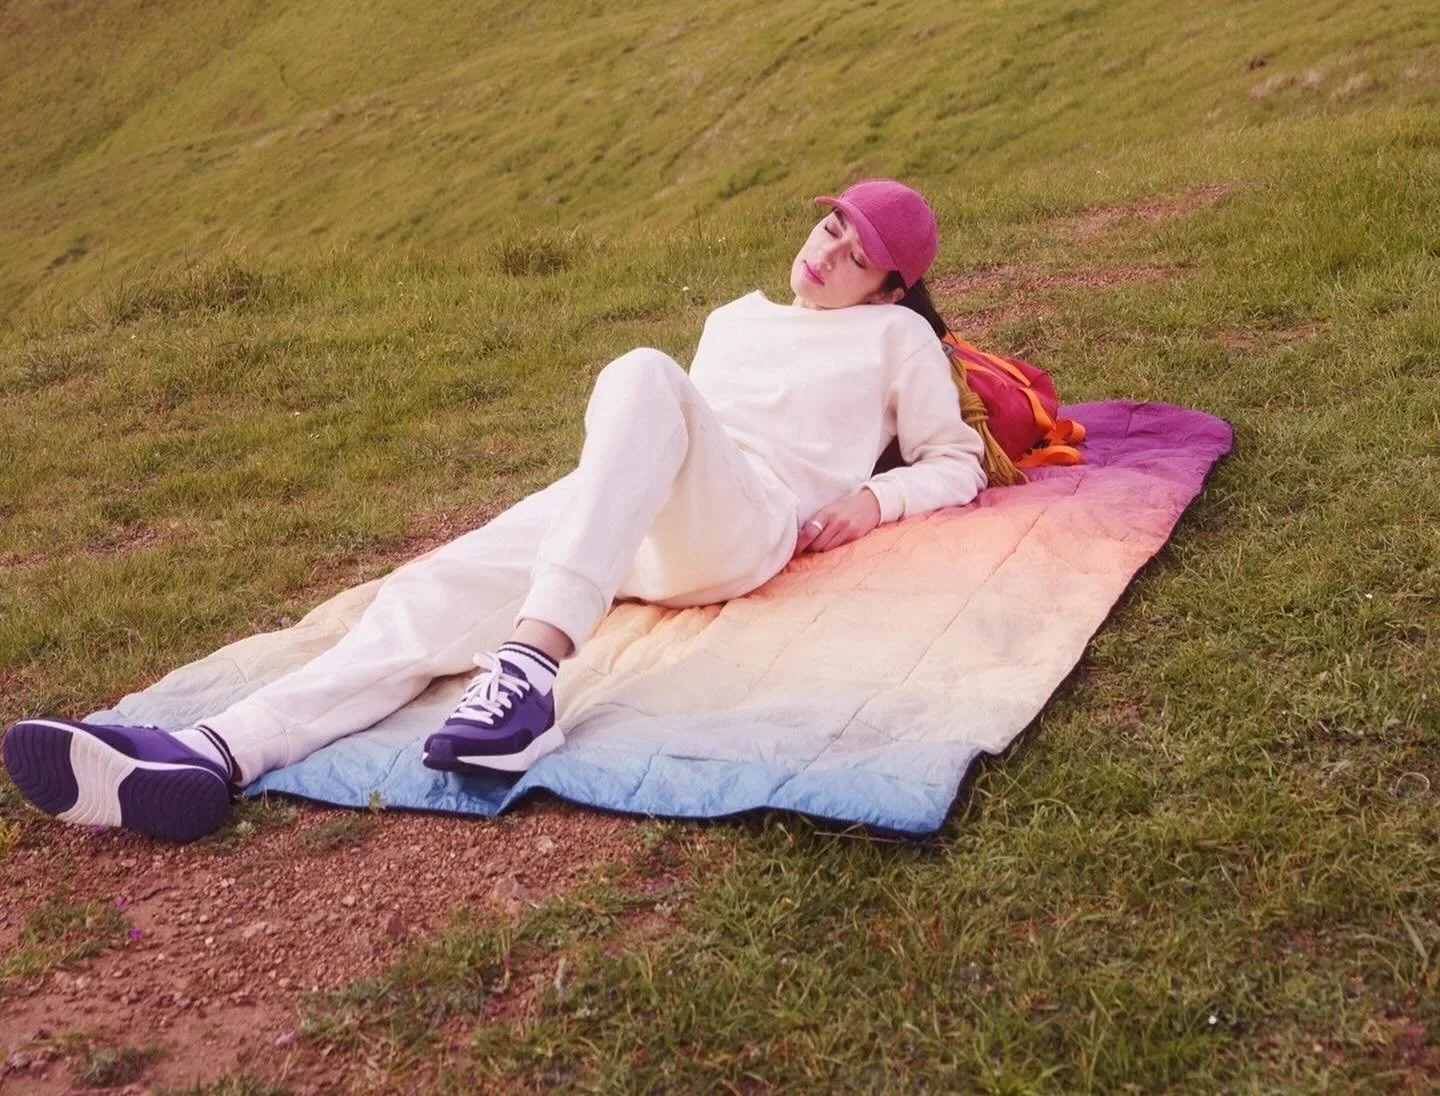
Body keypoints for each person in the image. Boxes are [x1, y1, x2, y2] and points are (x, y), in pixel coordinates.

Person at [3, 180, 987, 843]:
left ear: (890, 284)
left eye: (855, 255)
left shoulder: (895, 338)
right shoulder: (734, 318)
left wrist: (872, 496)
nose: (826, 255)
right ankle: (215, 753)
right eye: (829, 229)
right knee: (427, 596)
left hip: (745, 523)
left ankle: (524, 681)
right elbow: (662, 440)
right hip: (641, 504)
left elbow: (958, 460)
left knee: (642, 373)